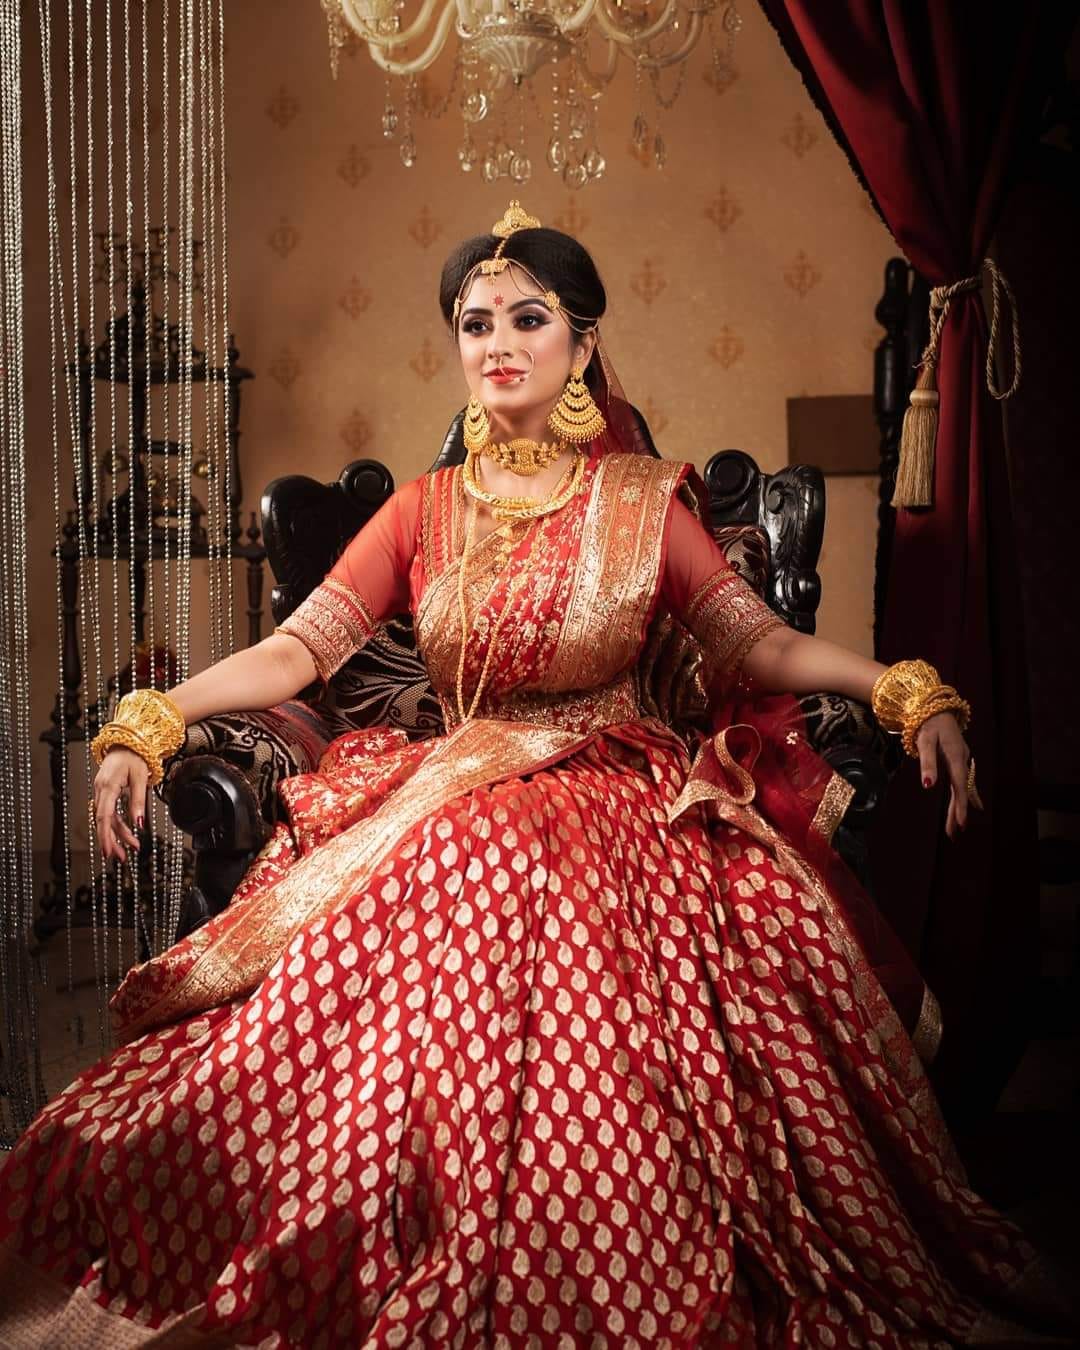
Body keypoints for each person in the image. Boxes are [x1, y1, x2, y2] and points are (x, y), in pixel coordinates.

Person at [0, 201, 1068, 1347]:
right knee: (434, 895)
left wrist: (902, 684)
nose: (498, 340)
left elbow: (755, 642)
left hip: (621, 797)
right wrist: (152, 712)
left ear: (582, 343)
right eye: (474, 321)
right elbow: (299, 650)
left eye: (528, 316)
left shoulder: (643, 499)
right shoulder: (424, 509)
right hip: (458, 787)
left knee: (559, 887)